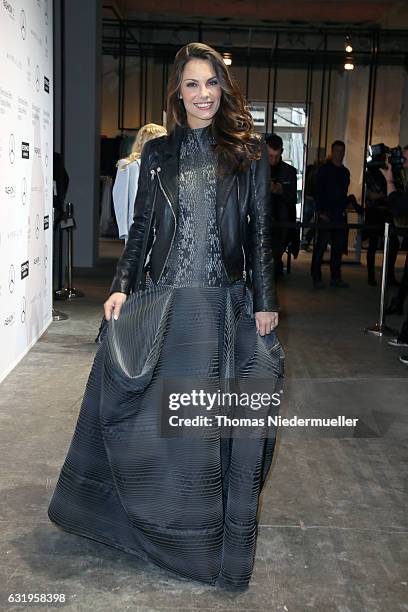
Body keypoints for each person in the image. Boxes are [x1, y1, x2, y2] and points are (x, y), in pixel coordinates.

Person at [48, 42, 284, 590]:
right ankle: (137, 521)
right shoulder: (159, 154)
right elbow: (141, 231)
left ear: (223, 89)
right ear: (177, 93)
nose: (204, 94)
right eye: (193, 84)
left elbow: (260, 235)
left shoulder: (245, 152)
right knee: (150, 423)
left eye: (212, 84)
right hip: (166, 301)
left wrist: (265, 300)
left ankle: (197, 542)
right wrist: (121, 287)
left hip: (218, 306)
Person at [113, 123, 167, 242]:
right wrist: (124, 231)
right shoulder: (128, 166)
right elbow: (120, 199)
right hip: (137, 229)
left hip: (160, 229)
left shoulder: (165, 167)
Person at [311, 140, 350, 289]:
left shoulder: (345, 172)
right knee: (320, 247)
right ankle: (316, 276)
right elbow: (318, 192)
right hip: (326, 213)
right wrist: (320, 212)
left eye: (342, 151)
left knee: (338, 249)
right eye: (337, 151)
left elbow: (343, 193)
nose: (340, 154)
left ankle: (335, 276)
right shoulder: (324, 170)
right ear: (333, 152)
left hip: (339, 214)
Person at [266, 133, 298, 277]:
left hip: (281, 221)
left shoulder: (289, 172)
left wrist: (281, 190)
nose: (273, 160)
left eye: (276, 156)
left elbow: (292, 199)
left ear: (282, 152)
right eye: (270, 156)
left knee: (276, 254)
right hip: (261, 220)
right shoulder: (255, 169)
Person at [364, 164, 399, 287]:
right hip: (374, 213)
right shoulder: (370, 173)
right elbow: (370, 195)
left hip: (385, 213)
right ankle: (371, 276)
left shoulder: (388, 172)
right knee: (373, 245)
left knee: (393, 244)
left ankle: (388, 275)